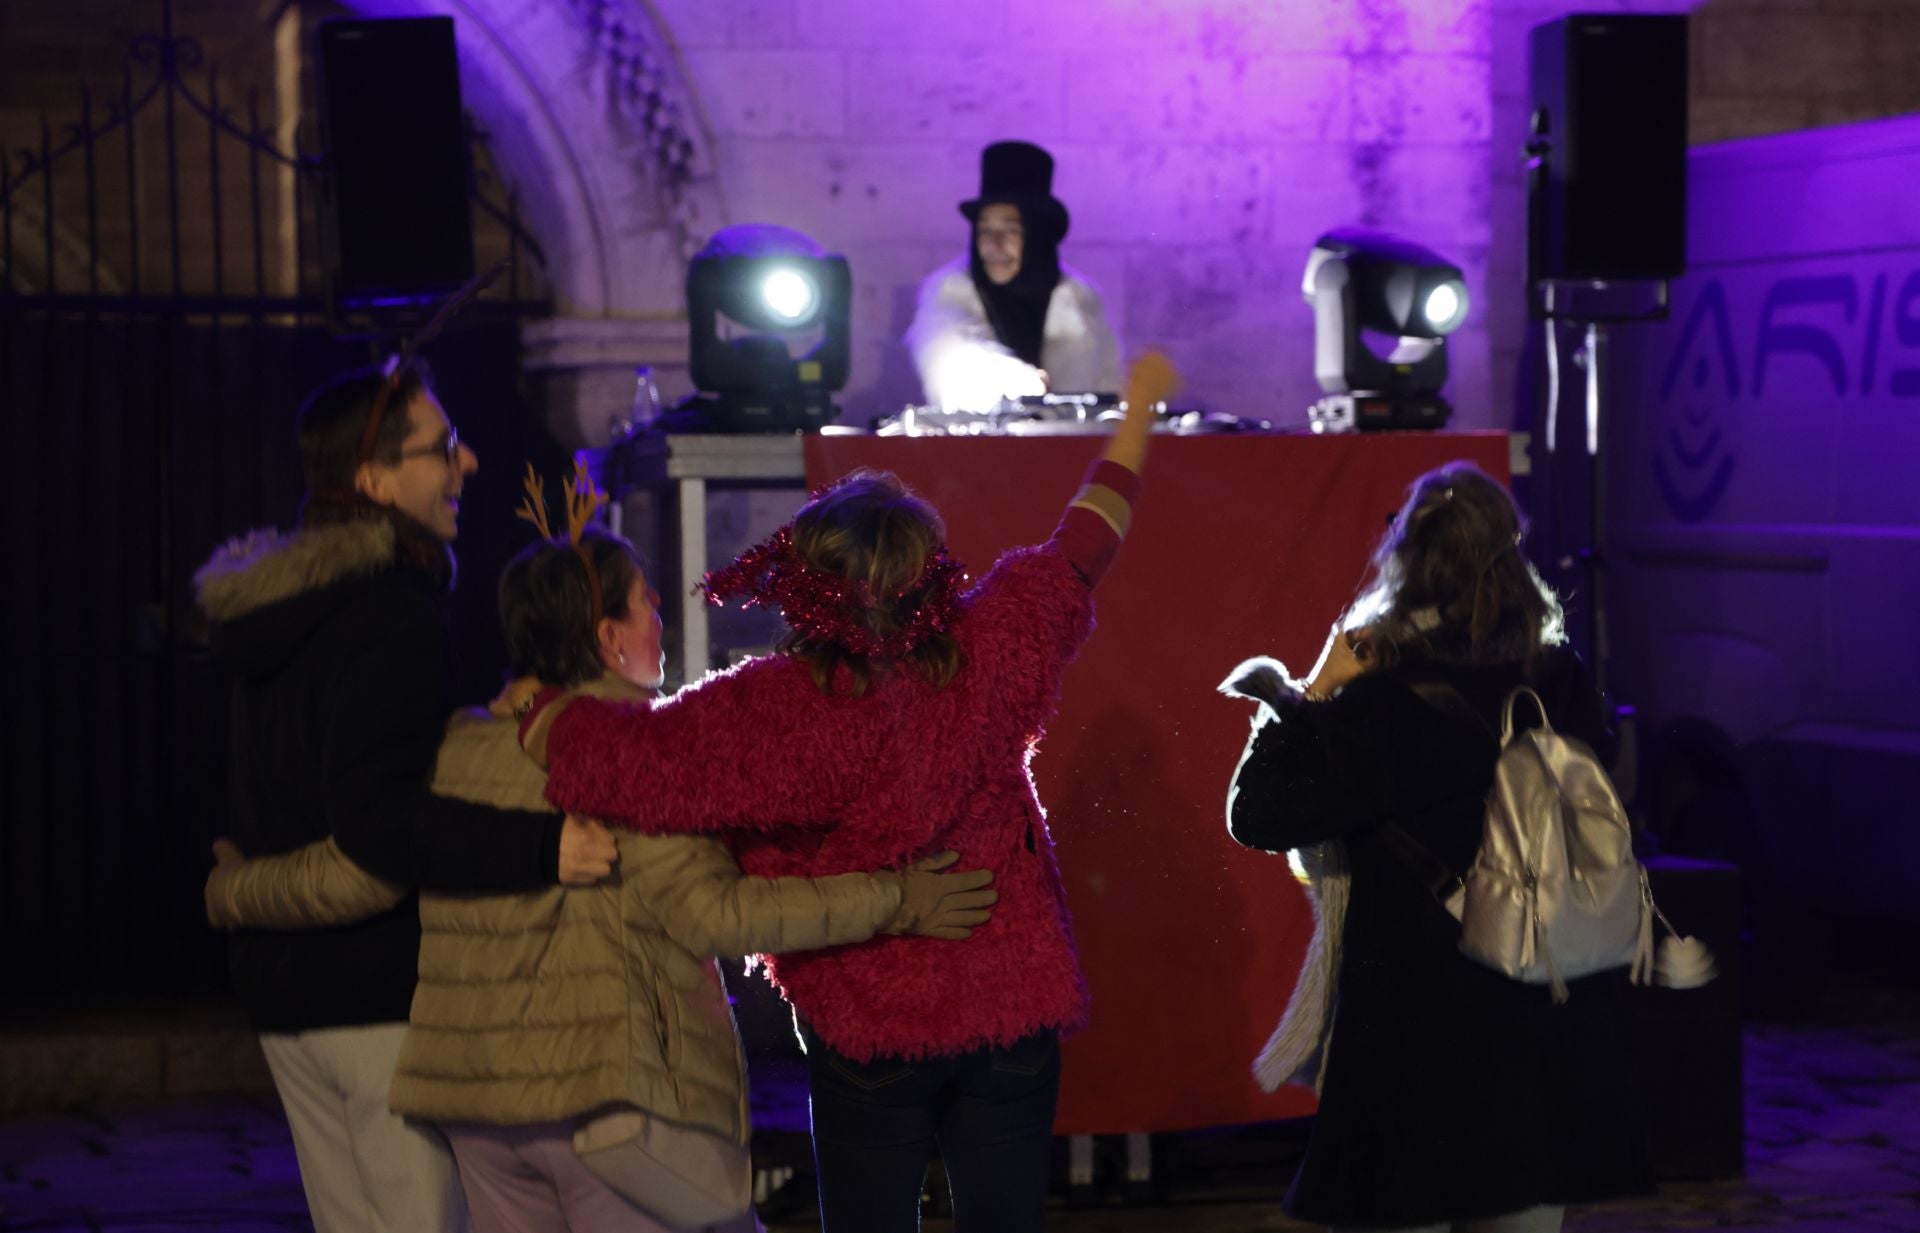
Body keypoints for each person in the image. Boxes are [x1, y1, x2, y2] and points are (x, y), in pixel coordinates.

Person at [206, 491, 1002, 1233]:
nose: (662, 613)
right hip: (604, 1108)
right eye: (646, 600)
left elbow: (370, 861)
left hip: (478, 1108)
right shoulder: (637, 757)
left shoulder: (454, 747)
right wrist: (893, 898)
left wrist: (239, 887)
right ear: (607, 636)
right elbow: (720, 914)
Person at [517, 354, 1177, 1232]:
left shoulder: (778, 709)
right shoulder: (1001, 639)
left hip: (870, 1028)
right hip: (1009, 1016)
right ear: (927, 569)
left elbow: (635, 760)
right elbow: (1089, 539)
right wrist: (1137, 410)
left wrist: (539, 713)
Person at [194, 366, 618, 1233]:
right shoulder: (388, 611)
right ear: (375, 481)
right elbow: (382, 820)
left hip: (283, 995)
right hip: (375, 995)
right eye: (442, 448)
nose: (467, 462)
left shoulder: (282, 609)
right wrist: (545, 848)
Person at [1221, 462, 1654, 1233]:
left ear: (1405, 562)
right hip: (1539, 1026)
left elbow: (1256, 814)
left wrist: (1315, 687)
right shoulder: (1561, 679)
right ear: (1510, 557)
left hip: (1409, 1043)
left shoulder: (1379, 701)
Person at [906, 139, 1122, 412]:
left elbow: (1109, 401)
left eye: (1010, 230)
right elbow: (949, 363)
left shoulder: (1082, 302)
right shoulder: (949, 294)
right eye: (984, 231)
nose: (994, 245)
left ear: (1036, 237)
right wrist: (1022, 383)